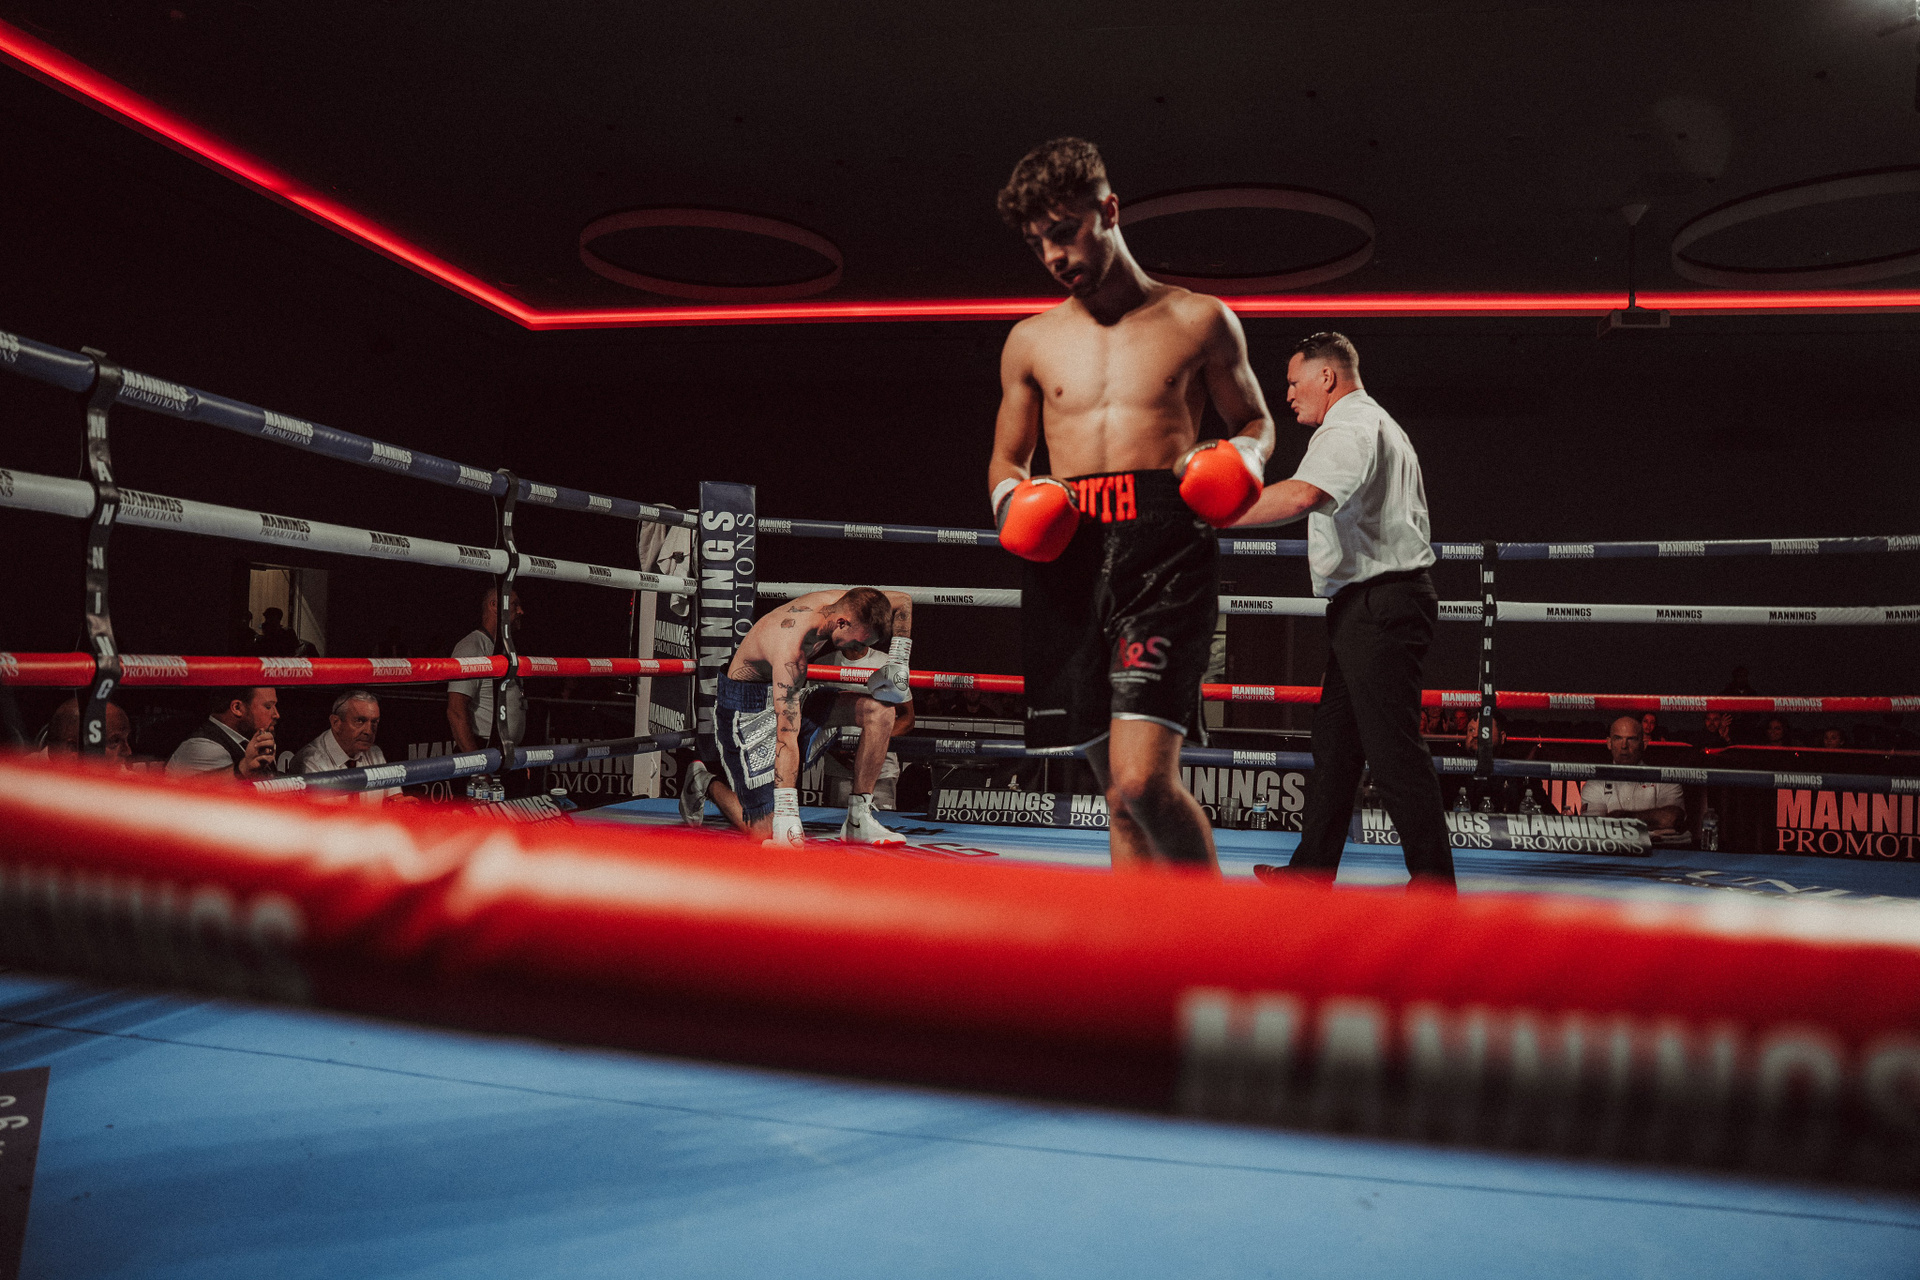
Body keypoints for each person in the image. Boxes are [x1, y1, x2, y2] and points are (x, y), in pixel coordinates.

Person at [986, 137, 1277, 874]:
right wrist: (1010, 503)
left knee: (1144, 781)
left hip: (1164, 553)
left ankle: (1212, 933)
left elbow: (1255, 420)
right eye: (1038, 242)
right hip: (1070, 556)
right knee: (1116, 795)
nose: (1054, 255)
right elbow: (1008, 459)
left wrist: (1242, 460)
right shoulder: (1029, 341)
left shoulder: (1200, 319)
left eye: (1064, 231)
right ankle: (1142, 943)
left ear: (1109, 210)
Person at [1232, 332, 1454, 893]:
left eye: (1293, 381)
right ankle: (1311, 875)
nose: (1288, 394)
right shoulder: (1377, 423)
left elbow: (1301, 495)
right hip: (1372, 605)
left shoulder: (1348, 425)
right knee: (1335, 746)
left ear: (1327, 376)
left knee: (1394, 752)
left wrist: (1217, 513)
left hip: (1380, 604)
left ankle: (1435, 889)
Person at [679, 587, 912, 845]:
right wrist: (787, 815)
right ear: (842, 623)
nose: (859, 649)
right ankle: (704, 780)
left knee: (880, 711)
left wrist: (899, 662)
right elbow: (786, 736)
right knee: (764, 831)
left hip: (789, 693)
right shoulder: (791, 648)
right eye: (859, 642)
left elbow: (903, 600)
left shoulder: (849, 603)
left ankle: (858, 820)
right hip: (746, 709)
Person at [447, 586, 527, 754]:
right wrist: (477, 763)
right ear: (495, 605)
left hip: (506, 751)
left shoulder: (505, 648)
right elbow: (456, 711)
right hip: (483, 748)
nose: (521, 611)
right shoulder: (472, 646)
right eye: (515, 604)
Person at [292, 689, 404, 803]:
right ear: (336, 723)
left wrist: (400, 805)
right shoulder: (312, 761)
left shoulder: (374, 753)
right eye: (360, 721)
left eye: (374, 722)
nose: (368, 731)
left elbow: (395, 798)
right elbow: (324, 814)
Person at [1581, 715, 1687, 835]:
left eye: (1631, 739)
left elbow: (1672, 818)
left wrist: (1622, 817)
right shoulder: (1594, 783)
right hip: (1612, 846)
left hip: (1657, 846)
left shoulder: (1665, 779)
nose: (1624, 746)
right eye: (1618, 738)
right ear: (1609, 743)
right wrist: (1649, 819)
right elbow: (1594, 827)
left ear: (1644, 744)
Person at [1445, 713, 1548, 815]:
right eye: (1471, 730)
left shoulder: (1517, 769)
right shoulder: (1452, 768)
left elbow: (1546, 809)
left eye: (1484, 730)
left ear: (1502, 737)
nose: (1475, 735)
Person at [166, 687, 279, 778]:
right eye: (268, 706)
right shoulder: (204, 748)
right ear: (237, 708)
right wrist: (244, 768)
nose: (276, 715)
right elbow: (220, 795)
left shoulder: (251, 742)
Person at [40, 696, 133, 767]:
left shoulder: (123, 778)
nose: (128, 752)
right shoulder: (33, 780)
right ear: (73, 748)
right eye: (115, 741)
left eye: (127, 739)